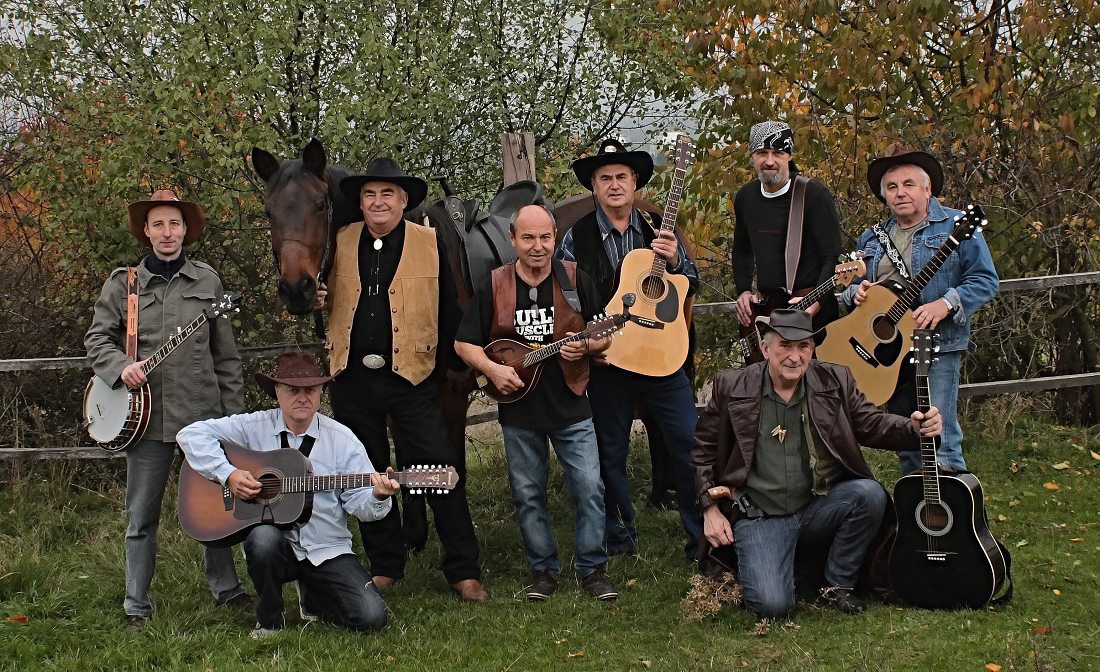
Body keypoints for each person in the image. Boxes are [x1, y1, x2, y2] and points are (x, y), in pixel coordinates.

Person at [692, 309, 943, 618]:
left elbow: (871, 423)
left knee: (868, 494)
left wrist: (913, 428)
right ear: (766, 348)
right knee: (772, 606)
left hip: (818, 505)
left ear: (812, 349)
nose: (795, 356)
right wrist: (710, 509)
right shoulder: (732, 386)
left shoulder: (834, 380)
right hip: (761, 515)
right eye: (785, 346)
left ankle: (837, 585)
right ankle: (774, 563)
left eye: (803, 347)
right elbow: (702, 450)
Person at [315, 158, 487, 602]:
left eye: (387, 194)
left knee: (440, 470)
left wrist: (455, 368)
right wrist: (317, 302)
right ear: (360, 202)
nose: (378, 202)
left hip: (413, 380)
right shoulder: (339, 240)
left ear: (404, 200)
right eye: (370, 194)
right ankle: (386, 564)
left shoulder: (429, 241)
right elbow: (324, 307)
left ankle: (463, 568)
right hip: (352, 381)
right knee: (368, 474)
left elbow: (448, 308)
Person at [84, 188, 249, 630]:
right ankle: (136, 604)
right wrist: (120, 368)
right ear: (146, 231)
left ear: (185, 230)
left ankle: (227, 590)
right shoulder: (124, 285)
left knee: (214, 507)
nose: (167, 232)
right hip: (147, 422)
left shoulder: (208, 283)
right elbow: (97, 339)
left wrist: (232, 420)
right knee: (141, 515)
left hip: (203, 420)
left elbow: (226, 358)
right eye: (158, 224)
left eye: (174, 223)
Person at [454, 204, 618, 601]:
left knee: (589, 488)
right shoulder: (495, 284)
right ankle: (543, 571)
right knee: (528, 495)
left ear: (555, 238)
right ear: (513, 240)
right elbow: (463, 343)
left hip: (571, 404)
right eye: (528, 238)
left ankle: (592, 569)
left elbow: (604, 334)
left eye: (545, 237)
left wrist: (588, 346)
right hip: (518, 409)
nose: (537, 246)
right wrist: (492, 370)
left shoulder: (575, 279)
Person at [177, 352, 400, 637]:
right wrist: (228, 474)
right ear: (277, 393)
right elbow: (190, 435)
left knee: (372, 617)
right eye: (293, 390)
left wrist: (379, 496)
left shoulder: (343, 439)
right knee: (263, 538)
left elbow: (361, 506)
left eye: (310, 390)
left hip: (326, 547)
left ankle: (313, 591)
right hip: (275, 547)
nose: (302, 398)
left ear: (320, 393)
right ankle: (270, 618)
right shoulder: (253, 426)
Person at [556, 138, 702, 558]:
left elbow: (691, 284)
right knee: (609, 451)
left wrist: (675, 263)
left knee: (690, 443)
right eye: (605, 178)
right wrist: (586, 337)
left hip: (663, 358)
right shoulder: (576, 237)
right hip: (610, 360)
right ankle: (620, 537)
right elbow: (564, 294)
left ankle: (702, 534)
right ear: (595, 186)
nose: (614, 185)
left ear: (635, 182)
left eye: (622, 176)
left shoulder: (660, 230)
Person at [841, 145, 998, 474]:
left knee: (941, 437)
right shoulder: (871, 239)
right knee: (907, 436)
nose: (900, 192)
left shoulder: (956, 225)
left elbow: (985, 280)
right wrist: (856, 293)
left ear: (928, 190)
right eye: (892, 187)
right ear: (885, 196)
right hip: (887, 355)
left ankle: (951, 503)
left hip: (937, 344)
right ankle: (916, 502)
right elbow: (848, 288)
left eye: (909, 184)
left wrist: (945, 303)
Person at [732, 120, 843, 334]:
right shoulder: (746, 197)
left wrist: (816, 302)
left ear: (789, 156)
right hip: (767, 312)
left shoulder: (812, 195)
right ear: (752, 157)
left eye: (778, 153)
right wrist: (743, 291)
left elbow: (832, 257)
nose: (769, 161)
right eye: (762, 153)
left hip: (813, 314)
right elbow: (741, 251)